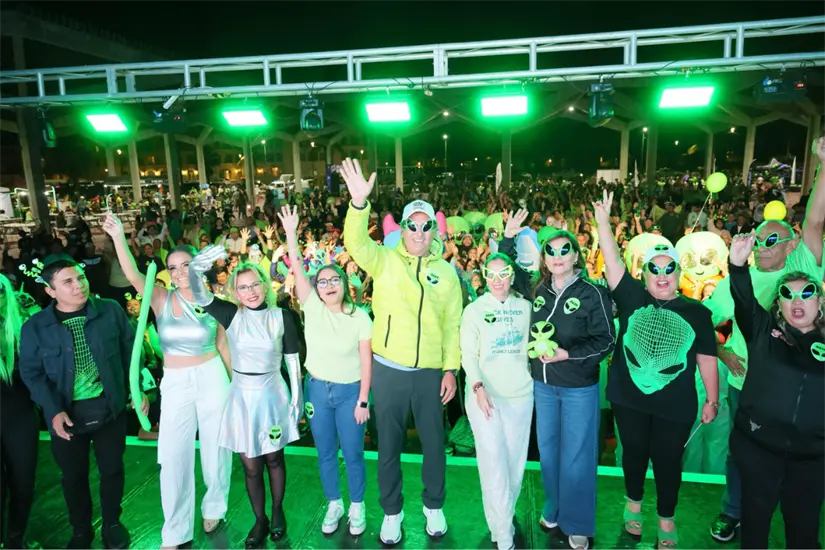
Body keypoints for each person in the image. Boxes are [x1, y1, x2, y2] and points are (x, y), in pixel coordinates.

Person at [706, 137, 825, 543]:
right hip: (746, 387)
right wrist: (723, 351)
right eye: (757, 239)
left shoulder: (798, 269)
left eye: (770, 240)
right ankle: (732, 512)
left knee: (800, 503)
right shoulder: (737, 278)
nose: (761, 245)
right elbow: (714, 321)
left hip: (801, 406)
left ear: (790, 245)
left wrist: (823, 164)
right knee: (742, 460)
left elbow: (813, 222)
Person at [340, 158, 460, 544]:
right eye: (413, 224)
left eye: (427, 226)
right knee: (388, 446)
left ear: (434, 229)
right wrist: (359, 204)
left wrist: (450, 370)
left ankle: (433, 506)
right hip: (389, 370)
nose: (420, 231)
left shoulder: (447, 272)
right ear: (403, 228)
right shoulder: (386, 261)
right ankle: (392, 512)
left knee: (434, 447)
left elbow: (453, 324)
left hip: (429, 374)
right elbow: (355, 244)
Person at [593, 190, 719, 549]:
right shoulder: (632, 297)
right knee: (633, 453)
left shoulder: (697, 312)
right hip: (629, 399)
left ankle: (666, 517)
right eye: (654, 269)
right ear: (644, 273)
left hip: (675, 405)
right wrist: (603, 223)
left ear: (679, 272)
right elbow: (613, 263)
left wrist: (712, 399)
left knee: (667, 460)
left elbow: (706, 357)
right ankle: (633, 503)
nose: (662, 276)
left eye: (669, 269)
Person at [102, 213, 233, 549]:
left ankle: (214, 507)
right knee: (173, 455)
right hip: (176, 380)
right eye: (172, 267)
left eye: (185, 265)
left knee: (217, 448)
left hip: (212, 375)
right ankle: (175, 531)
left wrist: (237, 385)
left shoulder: (213, 300)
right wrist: (119, 236)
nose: (178, 272)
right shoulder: (160, 297)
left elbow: (222, 343)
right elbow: (131, 273)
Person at [498, 210, 614, 550]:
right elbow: (507, 270)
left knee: (577, 456)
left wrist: (567, 355)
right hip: (543, 387)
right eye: (552, 251)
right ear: (544, 258)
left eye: (565, 250)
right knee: (548, 453)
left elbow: (606, 339)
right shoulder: (538, 288)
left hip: (578, 387)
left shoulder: (593, 292)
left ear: (576, 256)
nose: (558, 257)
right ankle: (555, 506)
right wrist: (508, 236)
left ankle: (578, 523)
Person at [19, 258, 148, 549]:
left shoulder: (110, 311)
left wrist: (136, 391)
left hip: (109, 408)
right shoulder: (36, 327)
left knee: (112, 469)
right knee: (73, 476)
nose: (79, 285)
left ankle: (113, 523)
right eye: (68, 282)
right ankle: (80, 530)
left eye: (81, 278)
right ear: (51, 291)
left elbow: (132, 353)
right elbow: (31, 372)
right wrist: (53, 410)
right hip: (65, 415)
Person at [187, 246, 302, 549]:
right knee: (251, 466)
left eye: (254, 284)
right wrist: (196, 267)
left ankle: (277, 512)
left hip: (273, 395)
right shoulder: (231, 314)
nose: (250, 292)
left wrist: (296, 401)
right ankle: (260, 519)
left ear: (266, 285)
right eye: (243, 287)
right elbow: (200, 296)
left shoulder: (282, 316)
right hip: (241, 397)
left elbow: (292, 362)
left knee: (274, 458)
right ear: (235, 292)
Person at [279, 205, 373, 537]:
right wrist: (291, 234)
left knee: (353, 452)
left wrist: (363, 400)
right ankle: (335, 503)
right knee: (325, 453)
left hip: (350, 392)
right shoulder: (312, 307)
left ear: (345, 284)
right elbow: (299, 270)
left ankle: (357, 507)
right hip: (317, 390)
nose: (328, 285)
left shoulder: (360, 316)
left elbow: (366, 362)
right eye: (323, 281)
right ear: (316, 288)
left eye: (335, 280)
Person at [727, 232, 825, 548]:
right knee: (754, 528)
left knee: (804, 532)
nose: (797, 301)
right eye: (788, 294)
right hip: (758, 450)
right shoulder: (763, 332)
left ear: (820, 301)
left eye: (807, 293)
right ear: (779, 303)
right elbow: (743, 300)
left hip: (811, 460)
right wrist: (738, 264)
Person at [460, 253, 532, 550]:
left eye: (504, 274)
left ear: (512, 276)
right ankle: (504, 535)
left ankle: (501, 520)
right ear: (484, 277)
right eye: (492, 274)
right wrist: (477, 386)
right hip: (484, 397)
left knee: (515, 465)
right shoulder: (474, 311)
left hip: (520, 395)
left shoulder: (526, 308)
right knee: (493, 464)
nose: (498, 280)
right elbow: (468, 355)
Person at [0, 274, 39, 549]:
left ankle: (16, 540)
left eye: (0, 292)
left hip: (20, 415)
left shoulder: (22, 326)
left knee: (23, 483)